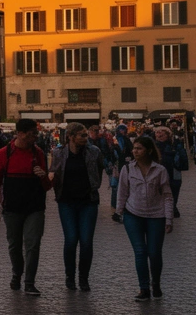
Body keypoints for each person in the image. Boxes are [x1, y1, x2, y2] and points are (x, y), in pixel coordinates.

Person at [0, 118, 52, 295]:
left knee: (33, 244)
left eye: (36, 133)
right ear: (21, 133)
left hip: (35, 207)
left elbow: (47, 186)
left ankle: (29, 282)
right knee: (14, 245)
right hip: (12, 208)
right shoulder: (4, 153)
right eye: (32, 134)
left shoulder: (38, 153)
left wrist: (43, 176)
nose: (36, 137)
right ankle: (17, 273)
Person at [116, 136, 174, 300]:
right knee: (140, 252)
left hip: (156, 215)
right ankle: (144, 288)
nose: (135, 151)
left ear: (148, 150)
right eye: (134, 148)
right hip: (133, 214)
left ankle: (156, 283)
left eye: (139, 148)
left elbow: (167, 196)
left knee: (154, 253)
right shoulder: (127, 169)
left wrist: (169, 218)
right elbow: (122, 191)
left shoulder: (160, 170)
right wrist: (119, 211)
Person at [50, 122, 103, 291]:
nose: (85, 138)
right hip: (66, 202)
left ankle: (83, 278)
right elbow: (54, 172)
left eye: (86, 135)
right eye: (82, 135)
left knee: (86, 241)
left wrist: (94, 186)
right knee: (71, 239)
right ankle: (70, 276)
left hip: (88, 201)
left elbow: (99, 171)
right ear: (71, 137)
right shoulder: (58, 153)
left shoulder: (94, 152)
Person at [153, 126, 188, 218]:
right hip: (159, 173)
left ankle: (172, 208)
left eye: (162, 134)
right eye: (157, 133)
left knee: (174, 190)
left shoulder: (175, 145)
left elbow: (183, 157)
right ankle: (166, 209)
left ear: (168, 135)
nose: (159, 135)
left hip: (173, 171)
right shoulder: (154, 146)